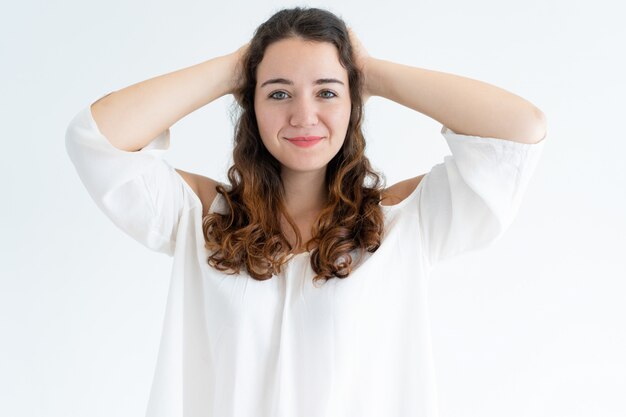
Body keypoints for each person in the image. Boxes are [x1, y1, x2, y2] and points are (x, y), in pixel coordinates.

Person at [65, 6, 547, 417]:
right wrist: (237, 67)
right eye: (277, 93)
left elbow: (519, 131)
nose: (303, 115)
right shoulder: (201, 218)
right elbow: (98, 139)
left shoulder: (402, 223)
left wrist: (369, 71)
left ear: (352, 101)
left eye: (326, 91)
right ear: (249, 104)